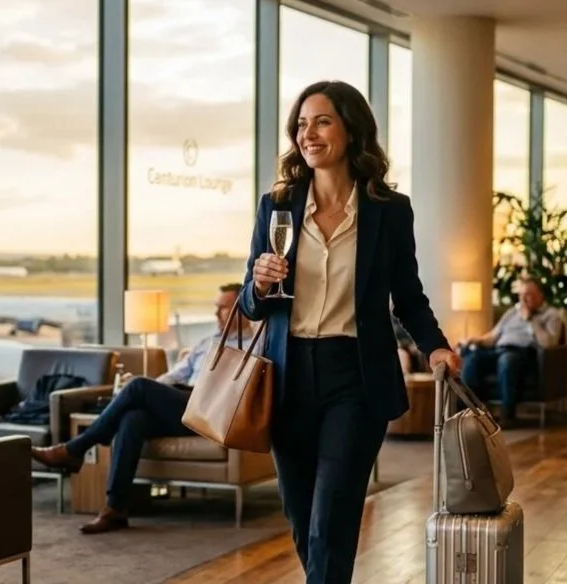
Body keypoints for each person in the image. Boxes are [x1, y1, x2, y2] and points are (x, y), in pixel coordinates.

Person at [239, 80, 460, 583]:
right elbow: (251, 306)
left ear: (351, 129)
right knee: (302, 518)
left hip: (355, 377)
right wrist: (259, 283)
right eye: (301, 125)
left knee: (331, 519)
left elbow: (408, 295)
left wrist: (436, 347)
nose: (308, 135)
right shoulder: (277, 205)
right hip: (288, 376)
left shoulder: (388, 209)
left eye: (322, 122)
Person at [29, 283, 252, 534]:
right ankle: (115, 508)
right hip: (182, 404)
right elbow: (173, 376)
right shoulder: (206, 343)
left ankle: (74, 449)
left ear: (242, 309)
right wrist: (148, 394)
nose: (216, 314)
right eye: (216, 307)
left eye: (223, 308)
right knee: (133, 418)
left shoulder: (253, 345)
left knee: (138, 386)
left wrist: (142, 390)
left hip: (213, 411)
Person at [458, 277, 564, 428]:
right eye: (522, 295)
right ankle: (470, 409)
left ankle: (508, 415)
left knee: (507, 360)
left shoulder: (551, 314)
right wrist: (475, 340)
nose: (524, 299)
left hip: (524, 353)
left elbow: (549, 342)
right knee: (472, 357)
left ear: (540, 296)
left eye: (529, 295)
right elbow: (493, 336)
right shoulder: (512, 313)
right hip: (498, 349)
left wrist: (530, 320)